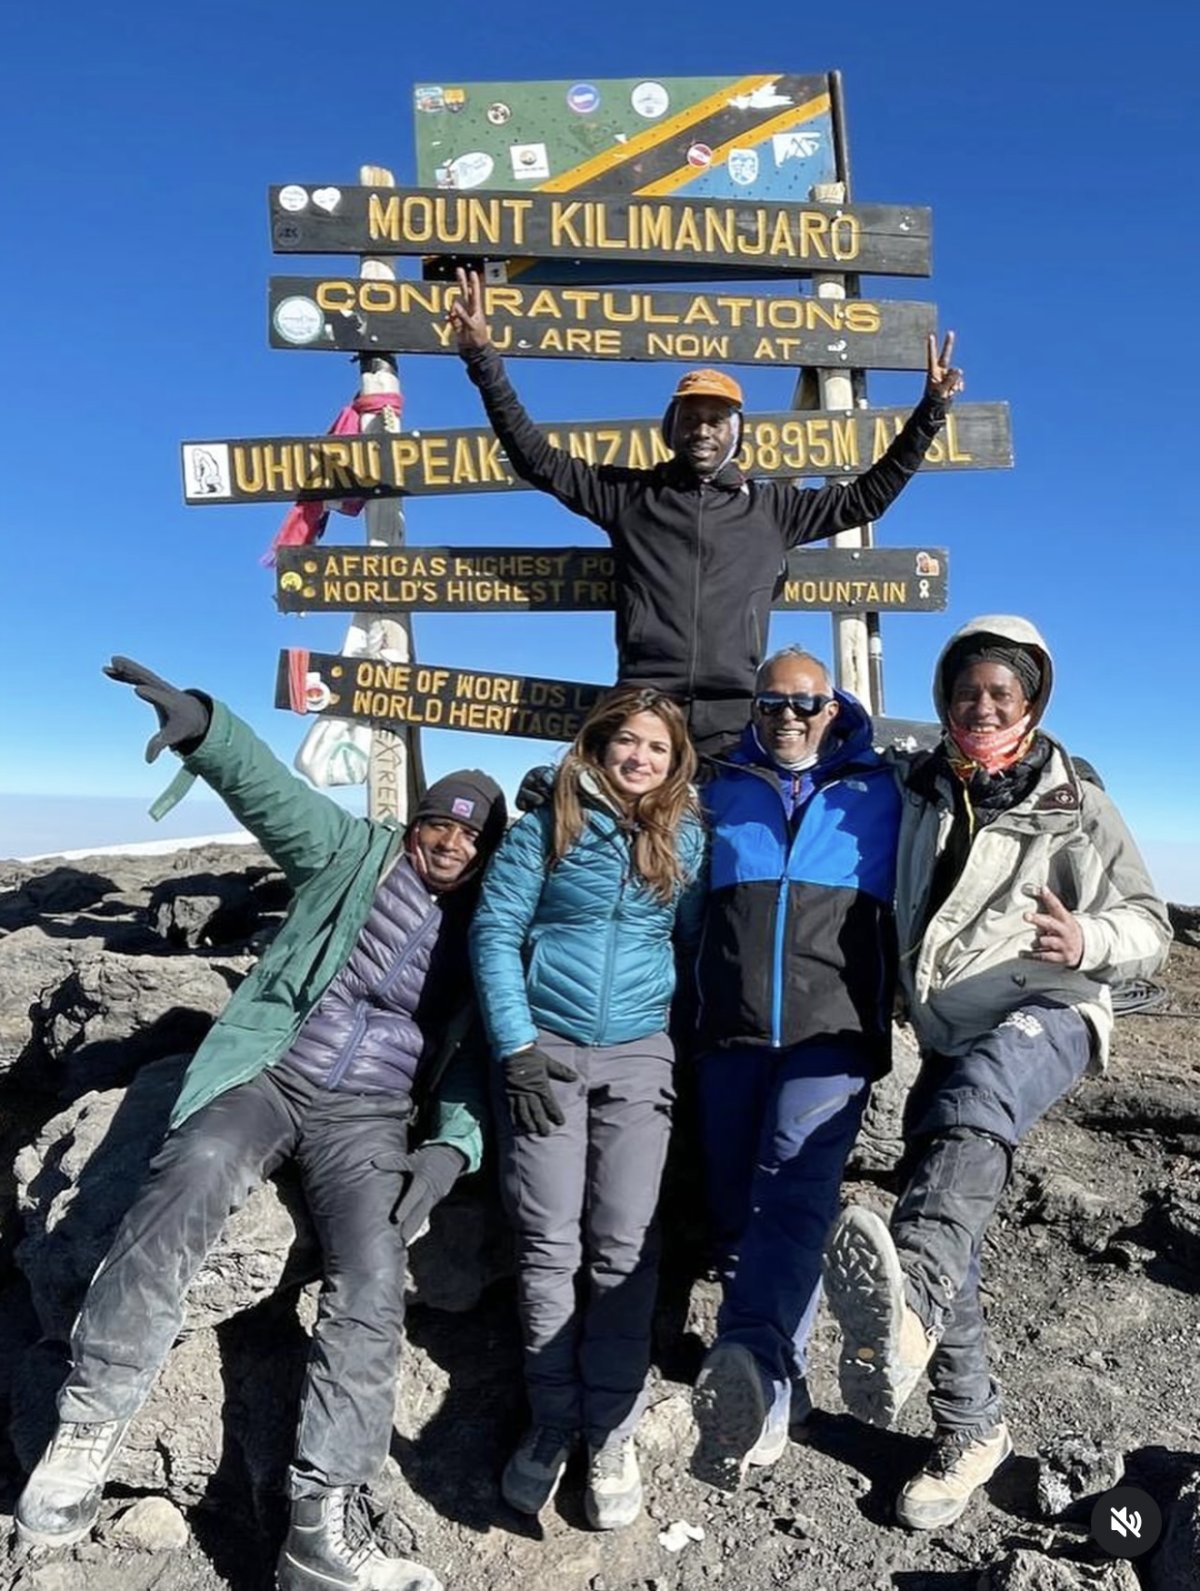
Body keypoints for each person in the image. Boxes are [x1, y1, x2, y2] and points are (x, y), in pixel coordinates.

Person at [16, 658, 508, 1591]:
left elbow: (481, 1056)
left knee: (373, 1273)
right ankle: (87, 1423)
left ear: (487, 851)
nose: (451, 840)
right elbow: (273, 794)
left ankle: (322, 1523)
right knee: (192, 1172)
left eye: (471, 833)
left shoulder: (487, 929)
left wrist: (450, 1148)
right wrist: (208, 727)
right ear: (415, 822)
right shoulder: (352, 854)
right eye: (438, 821)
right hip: (273, 1072)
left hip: (370, 1117)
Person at [822, 616, 1171, 1531]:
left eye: (1001, 692)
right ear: (945, 697)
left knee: (973, 1118)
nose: (982, 706)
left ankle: (911, 1303)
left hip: (1049, 1010)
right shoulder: (923, 784)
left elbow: (1151, 925)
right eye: (967, 690)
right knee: (946, 1206)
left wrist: (1086, 936)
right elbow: (835, 737)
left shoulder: (1075, 800)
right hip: (950, 1029)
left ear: (1033, 702)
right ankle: (970, 1427)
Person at [448, 265, 964, 753]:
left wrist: (931, 411)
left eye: (716, 420)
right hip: (644, 711)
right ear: (672, 428)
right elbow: (536, 459)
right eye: (691, 418)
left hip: (734, 723)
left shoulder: (772, 509)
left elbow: (866, 498)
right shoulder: (629, 496)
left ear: (735, 433)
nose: (702, 430)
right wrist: (482, 359)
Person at [469, 685, 706, 1530]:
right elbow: (494, 932)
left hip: (640, 1056)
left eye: (657, 747)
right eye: (626, 741)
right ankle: (552, 1417)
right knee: (547, 1241)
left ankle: (610, 1426)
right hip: (547, 1051)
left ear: (675, 762)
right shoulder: (547, 826)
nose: (640, 757)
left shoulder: (686, 840)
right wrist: (516, 1048)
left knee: (624, 1245)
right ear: (599, 746)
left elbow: (690, 943)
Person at [685, 646, 901, 1491]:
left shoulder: (880, 790)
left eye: (804, 703)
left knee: (792, 1189)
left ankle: (756, 1372)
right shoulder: (722, 784)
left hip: (832, 1035)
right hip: (729, 1033)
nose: (787, 717)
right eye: (772, 702)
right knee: (736, 1204)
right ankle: (788, 1372)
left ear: (831, 708)